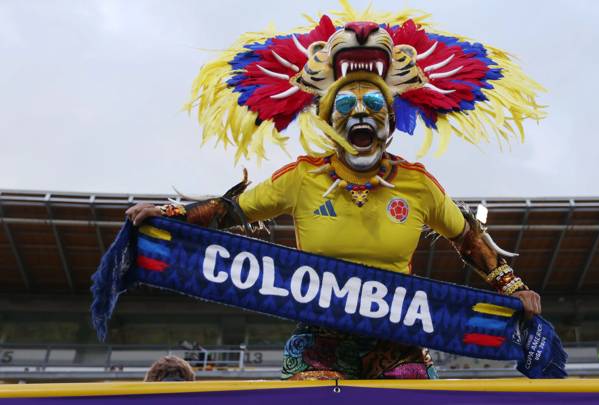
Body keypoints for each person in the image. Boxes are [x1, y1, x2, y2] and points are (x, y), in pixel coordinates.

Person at [126, 3, 545, 380]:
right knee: (313, 390)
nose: (360, 114)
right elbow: (229, 212)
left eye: (374, 107)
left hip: (398, 335)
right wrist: (172, 215)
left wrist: (513, 288)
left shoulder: (417, 184)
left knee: (412, 388)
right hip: (320, 336)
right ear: (329, 120)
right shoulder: (301, 177)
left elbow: (468, 237)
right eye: (346, 107)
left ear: (390, 122)